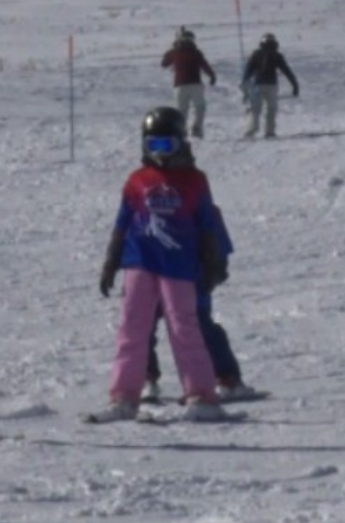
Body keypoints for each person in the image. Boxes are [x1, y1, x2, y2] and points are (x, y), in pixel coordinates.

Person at [94, 107, 228, 422]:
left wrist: (212, 263)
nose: (159, 153)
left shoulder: (194, 180)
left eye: (166, 145)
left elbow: (207, 224)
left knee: (184, 328)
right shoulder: (137, 180)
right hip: (140, 263)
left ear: (180, 143)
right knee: (132, 328)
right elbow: (122, 223)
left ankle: (201, 394)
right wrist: (111, 262)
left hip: (178, 266)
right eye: (152, 145)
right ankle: (124, 396)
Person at [142, 206, 258, 402]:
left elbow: (218, 246)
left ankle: (227, 377)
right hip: (153, 280)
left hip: (191, 281)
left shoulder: (202, 206)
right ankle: (144, 378)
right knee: (141, 327)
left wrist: (214, 271)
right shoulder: (146, 208)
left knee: (200, 328)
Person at [160, 27, 217, 138]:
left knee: (182, 110)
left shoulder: (175, 52)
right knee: (200, 107)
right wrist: (212, 75)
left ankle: (181, 130)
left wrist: (172, 49)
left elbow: (164, 63)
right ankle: (197, 128)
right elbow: (204, 65)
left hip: (180, 85)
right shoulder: (195, 52)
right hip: (195, 84)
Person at [241, 33, 299, 139]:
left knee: (255, 108)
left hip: (258, 85)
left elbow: (248, 70)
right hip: (272, 85)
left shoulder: (256, 54)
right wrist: (295, 84)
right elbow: (286, 71)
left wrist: (244, 83)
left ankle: (251, 130)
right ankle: (270, 131)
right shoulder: (276, 55)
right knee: (271, 109)